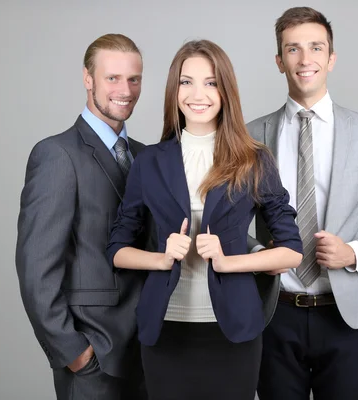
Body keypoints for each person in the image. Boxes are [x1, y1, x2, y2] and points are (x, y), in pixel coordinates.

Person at [106, 39, 303, 400]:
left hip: (233, 331)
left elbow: (292, 251)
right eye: (186, 82)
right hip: (164, 330)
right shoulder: (149, 161)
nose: (198, 93)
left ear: (225, 90)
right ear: (174, 89)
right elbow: (118, 249)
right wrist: (162, 258)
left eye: (210, 82)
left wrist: (230, 263)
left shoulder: (255, 160)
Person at [247, 7, 358, 400]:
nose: (305, 60)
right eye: (293, 49)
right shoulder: (252, 136)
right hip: (274, 314)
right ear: (279, 60)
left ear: (331, 58)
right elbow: (230, 226)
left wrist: (354, 252)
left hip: (346, 316)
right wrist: (260, 252)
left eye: (316, 48)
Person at [15, 34, 150, 400]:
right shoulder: (57, 155)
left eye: (134, 79)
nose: (125, 89)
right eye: (112, 78)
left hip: (149, 353)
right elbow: (36, 270)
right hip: (95, 359)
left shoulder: (147, 156)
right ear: (88, 79)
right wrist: (75, 353)